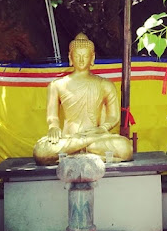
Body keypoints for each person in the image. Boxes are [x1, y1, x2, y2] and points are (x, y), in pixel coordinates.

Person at [33, 33, 133, 165]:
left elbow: (114, 117)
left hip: (96, 136)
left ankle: (74, 153)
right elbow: (52, 116)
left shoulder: (105, 84)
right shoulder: (57, 85)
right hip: (69, 137)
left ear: (92, 58)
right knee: (40, 151)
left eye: (85, 56)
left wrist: (103, 128)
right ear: (70, 57)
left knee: (125, 147)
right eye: (77, 56)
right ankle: (88, 152)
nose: (81, 60)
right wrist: (53, 127)